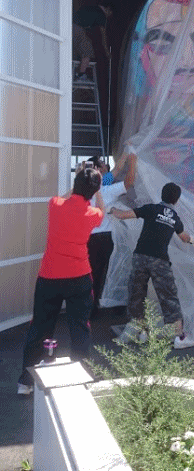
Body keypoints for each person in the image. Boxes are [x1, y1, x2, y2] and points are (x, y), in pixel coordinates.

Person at [17, 165, 104, 395]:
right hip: (79, 278)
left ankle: (25, 382)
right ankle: (82, 381)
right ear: (94, 191)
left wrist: (79, 180)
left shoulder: (55, 205)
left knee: (40, 327)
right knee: (80, 329)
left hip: (50, 277)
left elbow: (65, 197)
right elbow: (101, 211)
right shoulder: (94, 215)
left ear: (75, 185)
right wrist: (97, 191)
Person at [110, 182, 194, 348]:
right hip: (159, 260)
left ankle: (135, 329)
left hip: (140, 256)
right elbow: (184, 238)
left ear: (162, 195)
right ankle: (179, 336)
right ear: (176, 200)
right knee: (168, 295)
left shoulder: (151, 209)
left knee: (136, 292)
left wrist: (112, 210)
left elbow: (123, 215)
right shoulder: (174, 218)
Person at [87, 153, 137, 317]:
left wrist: (125, 154)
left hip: (89, 238)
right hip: (103, 238)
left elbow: (116, 170)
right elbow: (128, 183)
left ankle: (92, 308)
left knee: (94, 274)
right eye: (102, 165)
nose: (106, 166)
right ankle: (114, 304)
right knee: (114, 269)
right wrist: (133, 161)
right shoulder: (105, 190)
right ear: (98, 170)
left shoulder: (85, 189)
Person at [72, 3, 113, 82]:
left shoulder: (92, 7)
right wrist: (107, 52)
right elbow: (103, 36)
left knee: (80, 50)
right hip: (77, 28)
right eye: (110, 13)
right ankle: (80, 76)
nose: (109, 16)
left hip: (70, 26)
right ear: (108, 9)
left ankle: (75, 74)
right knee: (88, 52)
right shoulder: (101, 15)